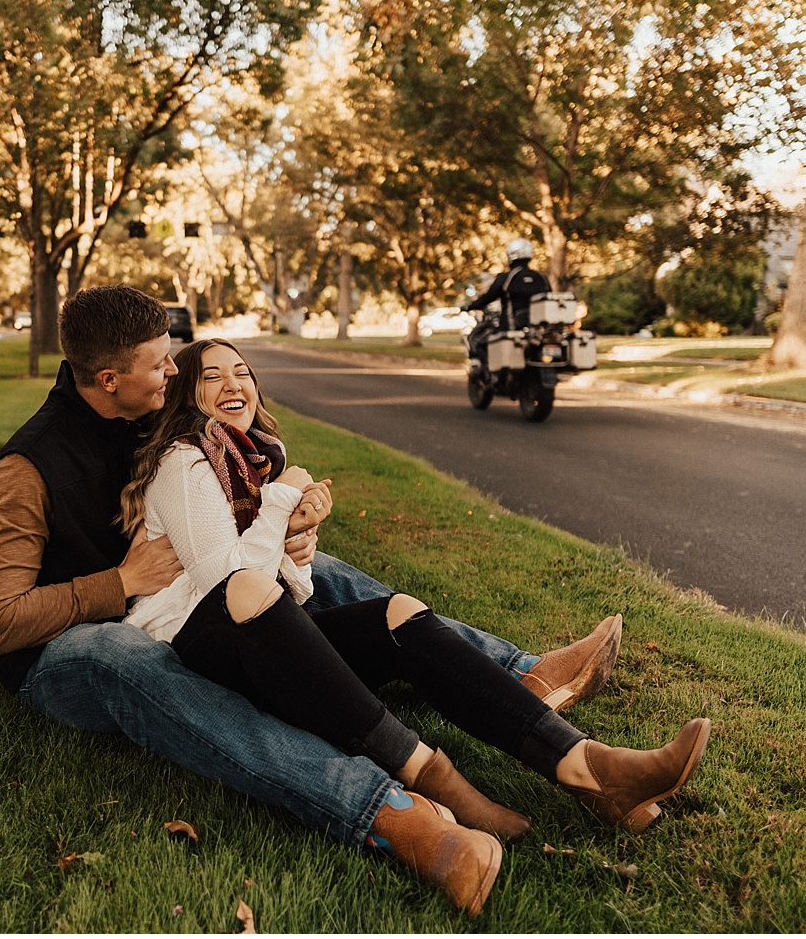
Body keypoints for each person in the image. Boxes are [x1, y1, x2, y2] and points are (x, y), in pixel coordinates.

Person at [0, 286, 627, 910]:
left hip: (183, 594)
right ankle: (391, 814)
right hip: (59, 652)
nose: (173, 371)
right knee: (126, 654)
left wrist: (290, 531)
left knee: (322, 567)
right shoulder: (28, 470)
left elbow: (214, 531)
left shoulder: (145, 415)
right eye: (159, 363)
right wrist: (118, 584)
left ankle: (522, 679)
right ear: (109, 379)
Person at [116, 338, 712, 894]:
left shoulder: (253, 462)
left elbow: (287, 592)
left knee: (398, 615)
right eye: (211, 376)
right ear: (186, 396)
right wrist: (279, 506)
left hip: (257, 632)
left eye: (242, 371)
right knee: (249, 588)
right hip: (190, 646)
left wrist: (299, 538)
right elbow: (229, 583)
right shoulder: (186, 464)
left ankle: (585, 766)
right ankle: (436, 778)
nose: (232, 383)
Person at [465, 237, 553, 364]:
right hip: (540, 330)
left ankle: (493, 377)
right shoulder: (541, 278)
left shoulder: (507, 278)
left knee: (479, 341)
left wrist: (470, 306)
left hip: (511, 327)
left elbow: (487, 297)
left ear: (510, 255)